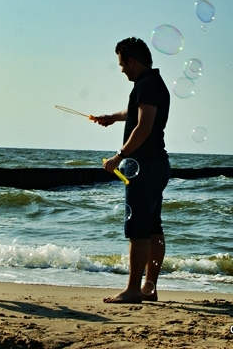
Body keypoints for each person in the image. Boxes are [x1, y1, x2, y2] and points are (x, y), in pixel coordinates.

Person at [94, 37, 171, 304]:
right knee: (152, 228)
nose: (121, 69)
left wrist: (119, 156)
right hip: (157, 164)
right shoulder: (151, 83)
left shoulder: (147, 84)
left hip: (143, 165)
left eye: (121, 64)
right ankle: (149, 288)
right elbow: (136, 112)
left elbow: (144, 126)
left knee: (138, 230)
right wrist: (112, 118)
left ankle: (133, 290)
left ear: (132, 61)